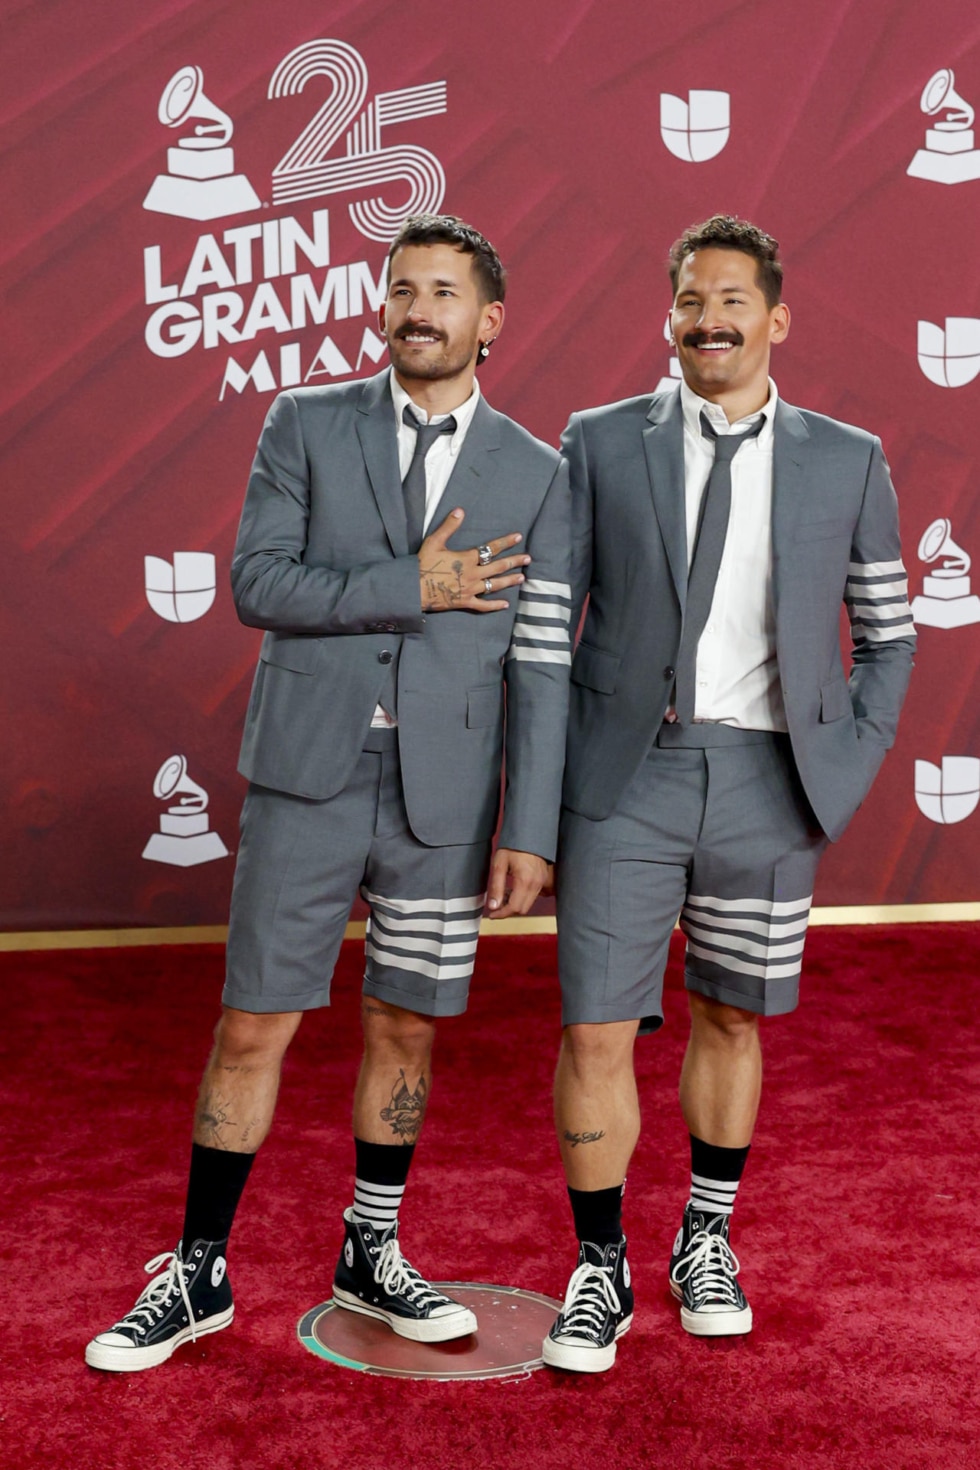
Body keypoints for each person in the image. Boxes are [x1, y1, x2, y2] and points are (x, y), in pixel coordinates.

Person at [86, 214, 571, 1372]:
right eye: (401, 287)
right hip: (307, 776)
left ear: (488, 320)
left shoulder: (539, 473)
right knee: (252, 1022)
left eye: (443, 292)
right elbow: (257, 581)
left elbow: (543, 666)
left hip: (444, 803)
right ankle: (198, 1268)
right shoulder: (302, 421)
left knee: (406, 1025)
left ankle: (371, 1247)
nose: (417, 308)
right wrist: (414, 582)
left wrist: (532, 826)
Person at [542, 214, 915, 1373]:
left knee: (732, 1014)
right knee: (595, 1026)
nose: (709, 318)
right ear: (669, 316)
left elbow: (889, 638)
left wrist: (833, 773)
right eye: (690, 300)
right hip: (623, 779)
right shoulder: (598, 442)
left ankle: (703, 1239)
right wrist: (543, 796)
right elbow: (548, 630)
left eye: (731, 300)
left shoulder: (847, 458)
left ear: (775, 318)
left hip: (771, 783)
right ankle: (597, 1266)